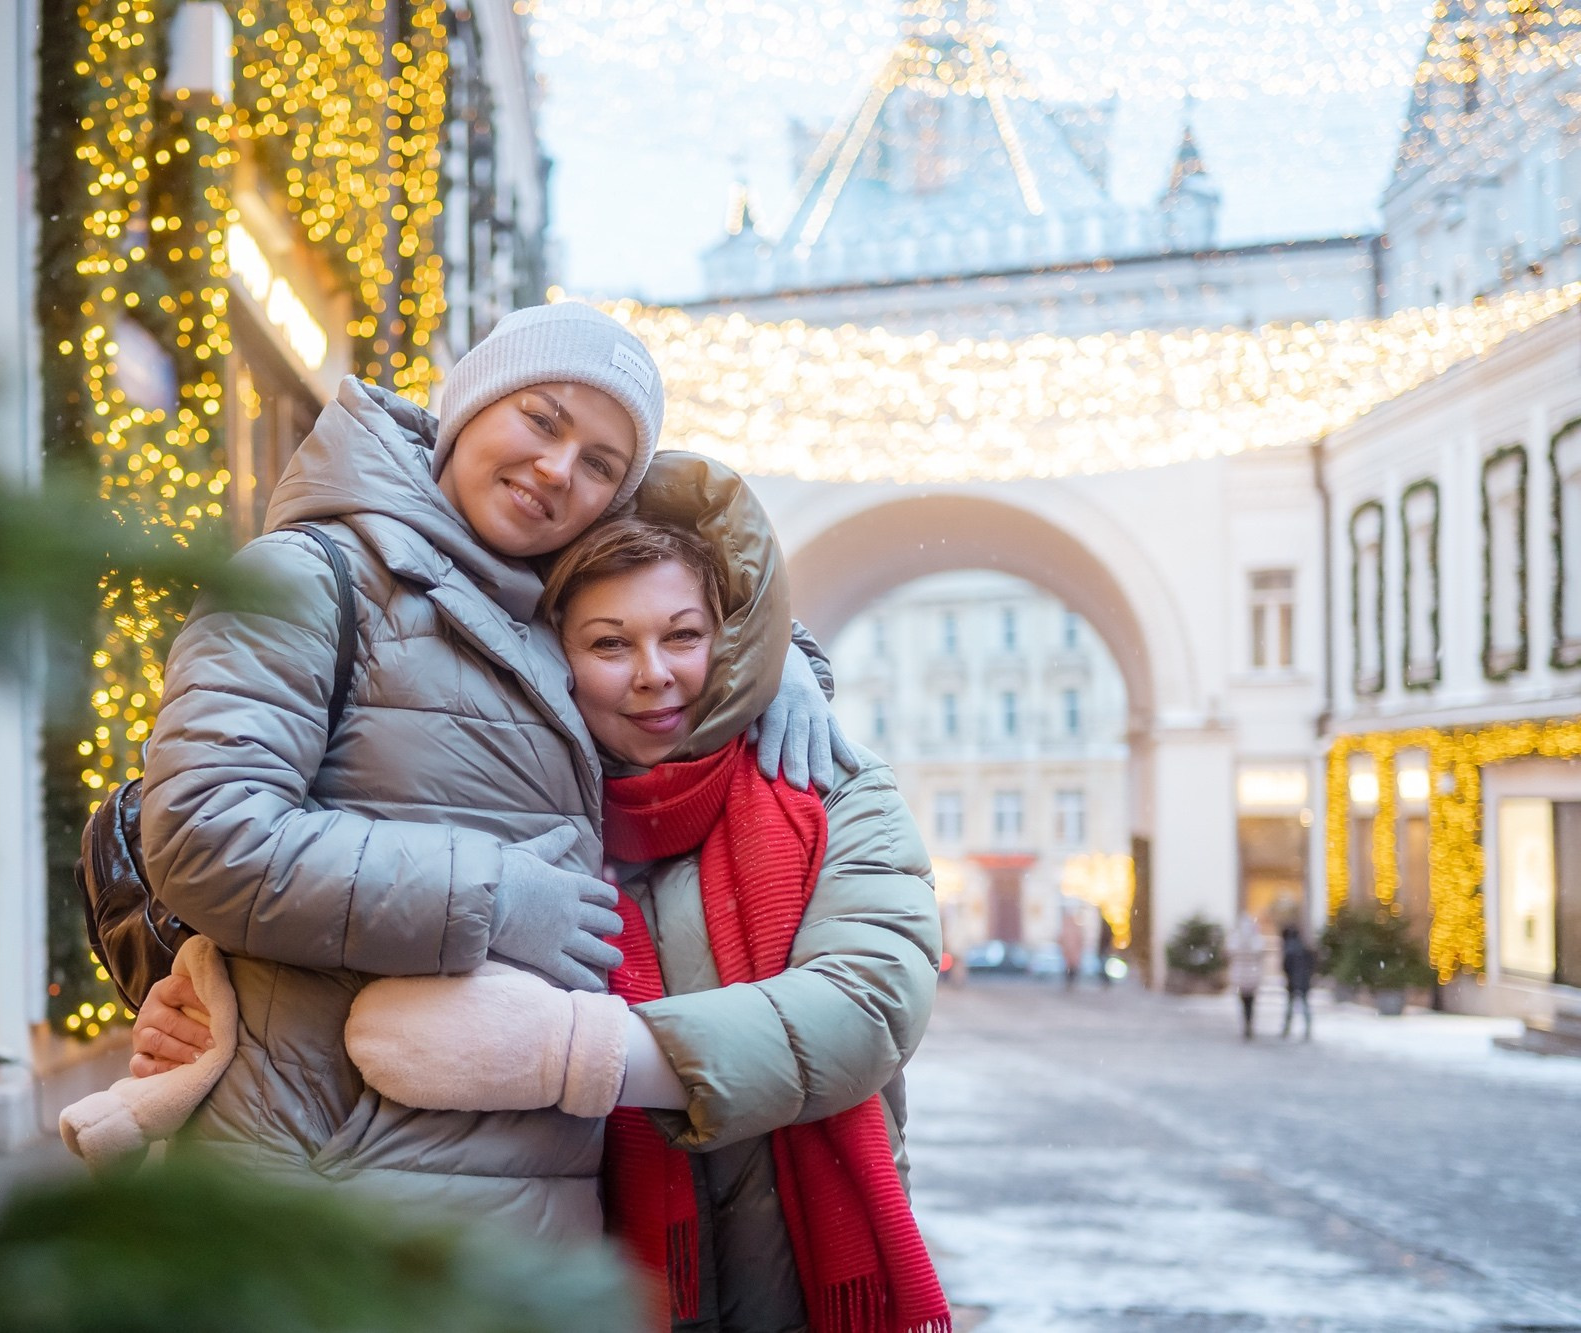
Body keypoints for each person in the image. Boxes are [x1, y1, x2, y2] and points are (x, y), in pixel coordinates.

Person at [113, 305, 849, 1245]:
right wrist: (489, 897)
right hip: (329, 1201)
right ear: (466, 406)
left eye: (600, 465)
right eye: (541, 420)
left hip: (529, 1219)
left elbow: (675, 614)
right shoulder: (311, 576)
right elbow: (205, 835)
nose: (556, 471)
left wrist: (775, 664)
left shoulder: (545, 609)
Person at [340, 469, 951, 1333]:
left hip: (794, 1282)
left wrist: (586, 1051)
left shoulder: (827, 785)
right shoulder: (514, 804)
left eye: (683, 635)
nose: (654, 675)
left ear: (728, 642)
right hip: (574, 1279)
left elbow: (867, 1007)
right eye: (610, 643)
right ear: (555, 653)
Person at [1229, 911, 1265, 1040]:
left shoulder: (1236, 939)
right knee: (1250, 1002)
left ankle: (1246, 1023)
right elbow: (1260, 954)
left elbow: (1230, 952)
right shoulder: (1256, 939)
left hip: (1241, 975)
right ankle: (1249, 1022)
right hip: (1252, 975)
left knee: (1244, 1001)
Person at [1280, 922, 1316, 1040]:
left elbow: (1286, 966)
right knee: (1304, 1005)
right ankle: (1307, 1029)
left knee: (1291, 1006)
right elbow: (1312, 962)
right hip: (1304, 980)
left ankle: (1287, 1028)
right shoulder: (1303, 946)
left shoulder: (1289, 948)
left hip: (1294, 981)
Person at [1058, 906, 1086, 990]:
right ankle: (1069, 983)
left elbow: (1080, 941)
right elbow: (1061, 940)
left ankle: (1071, 983)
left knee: (1072, 969)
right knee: (1069, 969)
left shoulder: (1074, 929)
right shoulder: (1068, 929)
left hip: (1072, 954)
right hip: (1069, 954)